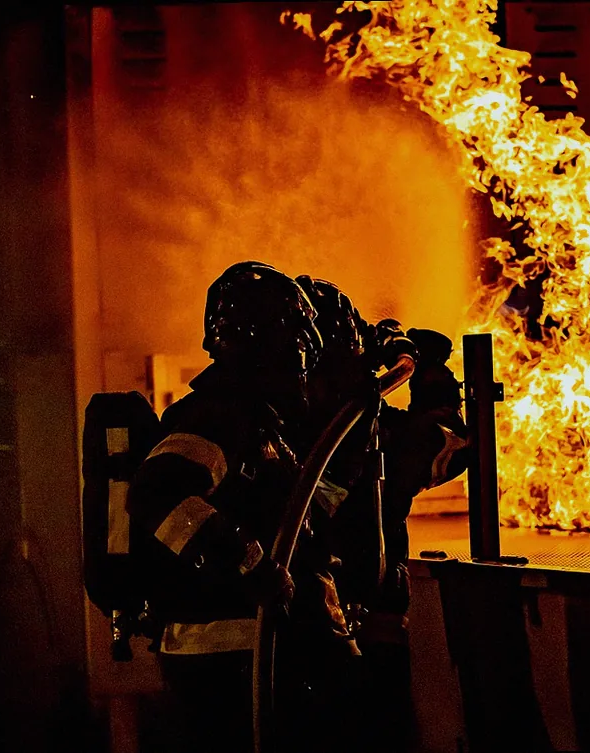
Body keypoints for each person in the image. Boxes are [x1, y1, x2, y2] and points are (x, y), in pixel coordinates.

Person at [126, 261, 322, 753]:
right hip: (221, 658)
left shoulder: (254, 421)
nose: (301, 362)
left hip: (245, 651)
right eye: (296, 344)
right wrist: (250, 566)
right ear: (268, 342)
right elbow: (155, 495)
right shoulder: (217, 417)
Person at [295, 276, 470, 751]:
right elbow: (445, 447)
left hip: (316, 629)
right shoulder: (355, 430)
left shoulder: (287, 423)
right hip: (359, 629)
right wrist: (432, 376)